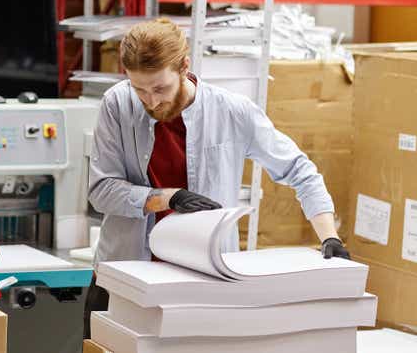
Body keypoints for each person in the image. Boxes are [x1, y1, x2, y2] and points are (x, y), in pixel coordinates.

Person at [83, 18, 350, 338]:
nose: (151, 102)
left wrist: (328, 237)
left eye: (160, 88)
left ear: (184, 67)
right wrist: (167, 197)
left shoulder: (232, 112)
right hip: (123, 278)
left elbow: (299, 169)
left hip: (201, 285)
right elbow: (101, 190)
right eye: (139, 89)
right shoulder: (117, 103)